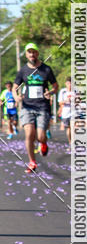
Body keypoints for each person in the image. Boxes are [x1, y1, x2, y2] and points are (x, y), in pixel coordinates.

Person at [13, 43, 58, 172]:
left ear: (37, 53)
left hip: (42, 107)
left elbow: (55, 86)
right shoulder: (23, 71)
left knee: (40, 136)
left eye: (34, 52)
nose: (32, 54)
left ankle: (43, 143)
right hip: (27, 106)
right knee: (29, 134)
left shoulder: (46, 70)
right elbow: (15, 88)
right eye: (29, 52)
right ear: (26, 55)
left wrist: (50, 92)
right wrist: (16, 97)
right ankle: (32, 162)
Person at [58, 77, 75, 146]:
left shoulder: (75, 91)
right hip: (66, 112)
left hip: (74, 112)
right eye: (68, 83)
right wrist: (66, 101)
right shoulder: (63, 91)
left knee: (73, 127)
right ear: (66, 84)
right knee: (69, 129)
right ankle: (70, 141)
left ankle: (74, 142)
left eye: (71, 83)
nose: (70, 85)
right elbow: (60, 103)